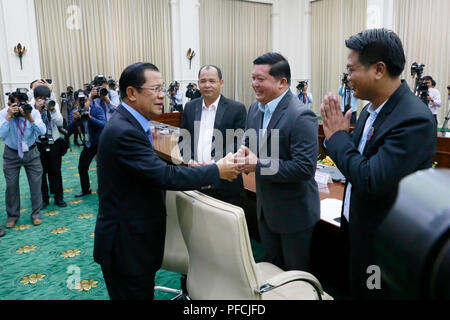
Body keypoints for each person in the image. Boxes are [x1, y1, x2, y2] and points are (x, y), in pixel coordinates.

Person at [93, 62, 239, 300]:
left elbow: (150, 169)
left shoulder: (130, 123)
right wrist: (217, 170)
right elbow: (163, 175)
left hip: (133, 242)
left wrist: (191, 166)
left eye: (162, 88)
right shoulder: (124, 131)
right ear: (132, 93)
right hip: (127, 247)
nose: (162, 95)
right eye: (155, 89)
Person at [320, 28, 436, 299]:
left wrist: (337, 138)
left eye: (352, 69)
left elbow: (372, 179)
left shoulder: (413, 118)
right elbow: (357, 164)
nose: (348, 78)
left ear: (379, 69)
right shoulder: (371, 111)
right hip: (357, 232)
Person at [236, 52, 320, 272]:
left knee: (295, 276)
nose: (254, 84)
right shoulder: (255, 108)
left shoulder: (301, 116)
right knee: (272, 270)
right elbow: (249, 140)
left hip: (294, 214)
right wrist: (241, 152)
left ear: (282, 82)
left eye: (260, 79)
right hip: (266, 209)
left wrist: (257, 165)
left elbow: (303, 168)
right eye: (253, 78)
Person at [180, 65, 246, 206]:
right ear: (198, 84)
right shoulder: (190, 107)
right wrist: (190, 159)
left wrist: (215, 161)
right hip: (196, 178)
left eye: (212, 81)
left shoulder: (236, 109)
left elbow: (239, 142)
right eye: (203, 81)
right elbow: (183, 138)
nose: (207, 85)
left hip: (225, 184)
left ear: (221, 83)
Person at [0, 89, 47, 229]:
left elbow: (42, 132)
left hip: (31, 153)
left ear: (25, 103)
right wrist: (8, 117)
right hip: (11, 153)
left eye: (19, 105)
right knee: (11, 186)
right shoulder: (4, 113)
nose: (16, 108)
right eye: (12, 105)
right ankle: (12, 216)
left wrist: (30, 118)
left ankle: (36, 214)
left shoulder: (32, 112)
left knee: (35, 184)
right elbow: (1, 133)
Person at [33, 86, 67, 208]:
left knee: (56, 171)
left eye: (45, 98)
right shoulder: (31, 109)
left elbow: (60, 123)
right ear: (35, 98)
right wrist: (37, 110)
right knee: (41, 173)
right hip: (39, 144)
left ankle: (59, 197)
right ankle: (44, 199)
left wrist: (52, 110)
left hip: (54, 143)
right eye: (40, 98)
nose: (43, 101)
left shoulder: (53, 105)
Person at [68, 89, 106, 198]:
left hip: (100, 142)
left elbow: (104, 125)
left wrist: (90, 118)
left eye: (85, 100)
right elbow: (69, 131)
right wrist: (75, 120)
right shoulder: (74, 112)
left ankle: (104, 189)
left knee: (102, 167)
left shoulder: (96, 109)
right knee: (82, 167)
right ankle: (86, 189)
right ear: (76, 103)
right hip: (88, 144)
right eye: (80, 101)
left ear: (89, 100)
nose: (83, 103)